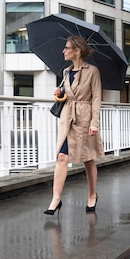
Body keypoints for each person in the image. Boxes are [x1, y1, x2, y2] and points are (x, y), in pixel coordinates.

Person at [44, 36, 103, 215]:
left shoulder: (92, 71)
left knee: (88, 158)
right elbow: (68, 94)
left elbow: (97, 98)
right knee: (62, 156)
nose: (64, 51)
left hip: (84, 118)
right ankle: (56, 199)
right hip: (67, 117)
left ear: (76, 51)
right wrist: (59, 93)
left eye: (67, 48)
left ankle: (92, 195)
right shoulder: (65, 72)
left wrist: (94, 123)